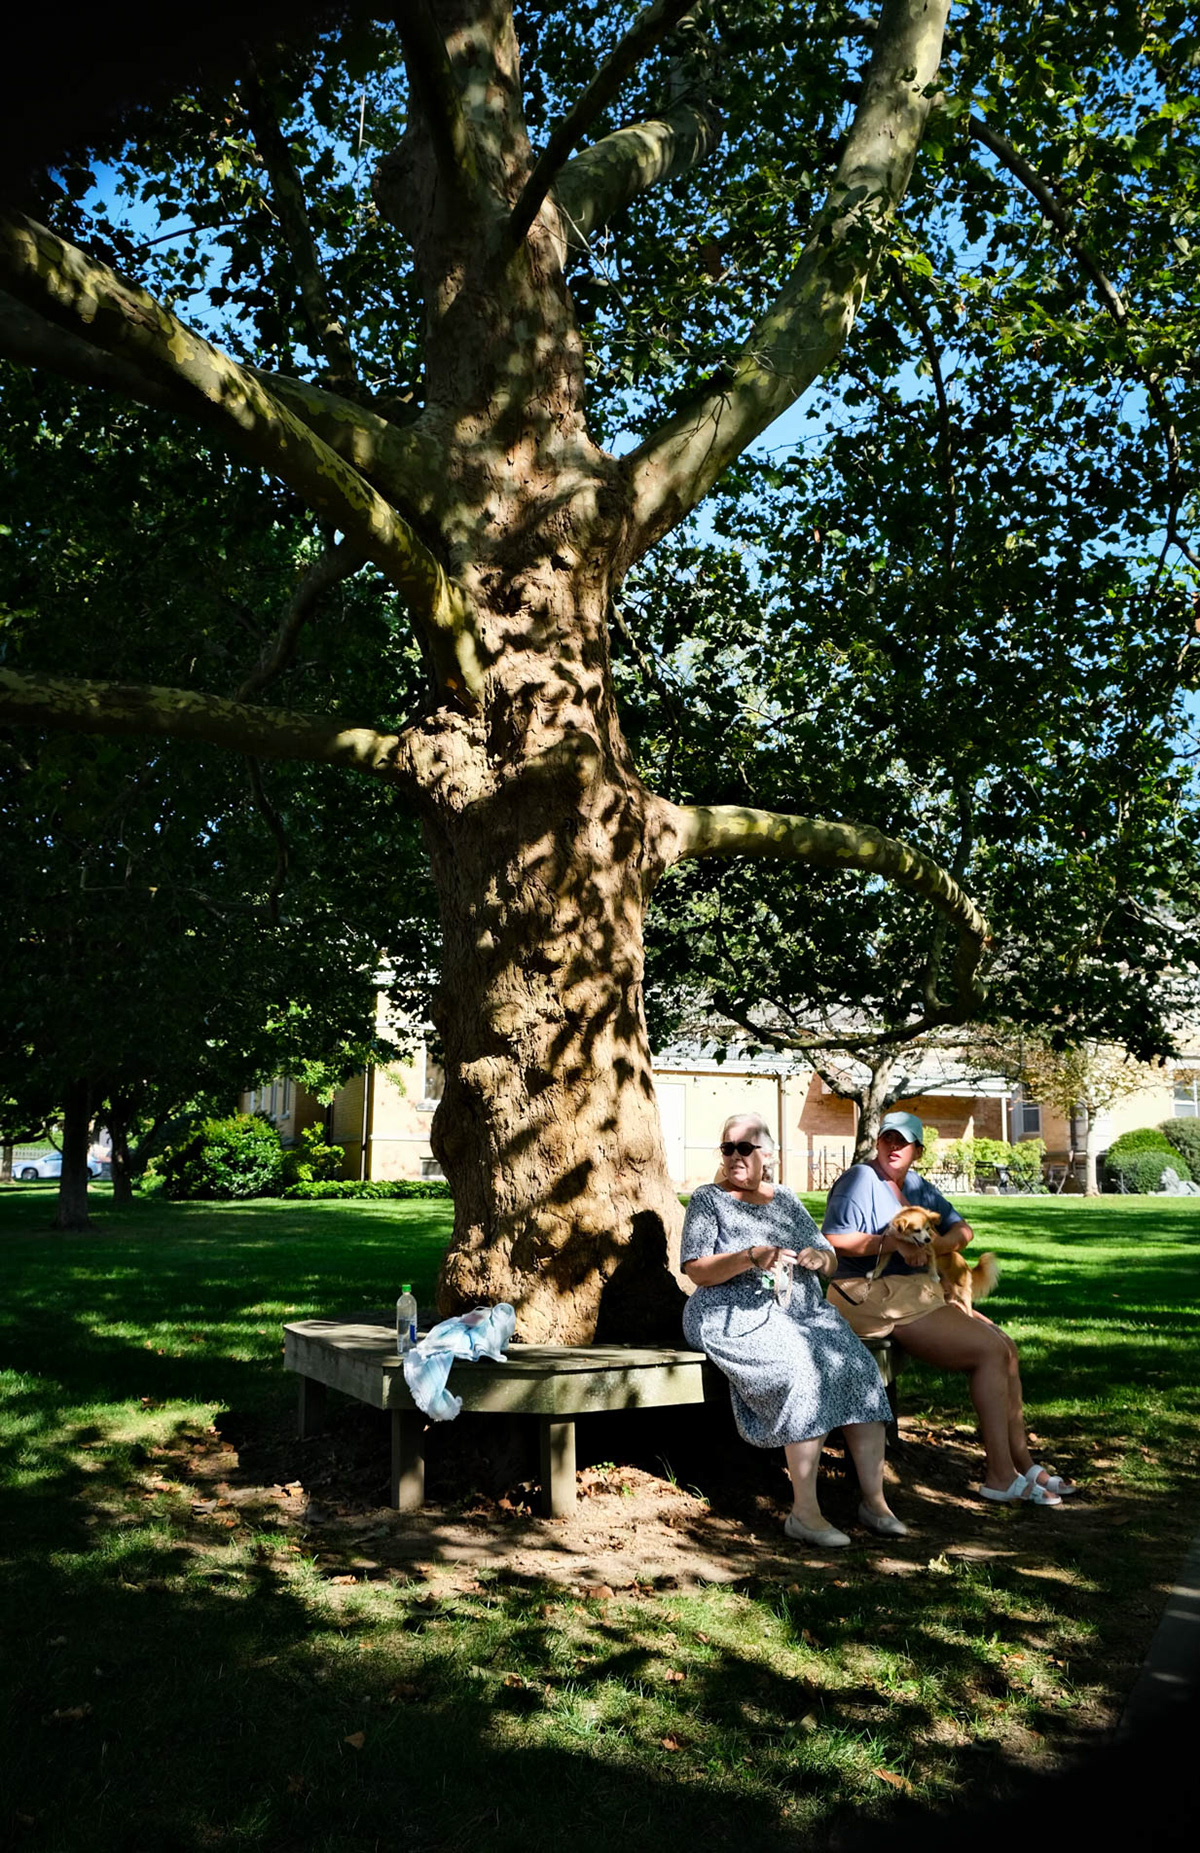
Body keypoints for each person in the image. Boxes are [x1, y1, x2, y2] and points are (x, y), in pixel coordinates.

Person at [822, 1110, 1078, 1504]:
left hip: (914, 1294)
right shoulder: (859, 1179)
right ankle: (999, 1476)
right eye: (888, 1138)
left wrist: (932, 1246)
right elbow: (834, 1239)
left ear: (918, 1151)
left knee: (1006, 1347)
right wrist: (893, 1244)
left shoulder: (915, 1186)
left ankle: (1023, 1463)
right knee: (989, 1351)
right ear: (878, 1142)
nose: (894, 1147)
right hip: (869, 1296)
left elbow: (963, 1232)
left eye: (903, 1142)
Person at [681, 1109, 907, 1550]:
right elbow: (696, 1270)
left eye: (744, 1147)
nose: (734, 1156)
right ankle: (805, 1513)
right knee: (802, 1371)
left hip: (801, 1312)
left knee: (860, 1370)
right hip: (732, 1313)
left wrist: (821, 1259)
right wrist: (750, 1256)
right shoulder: (709, 1200)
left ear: (767, 1154)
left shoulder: (784, 1198)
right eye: (727, 1148)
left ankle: (874, 1503)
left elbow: (829, 1256)